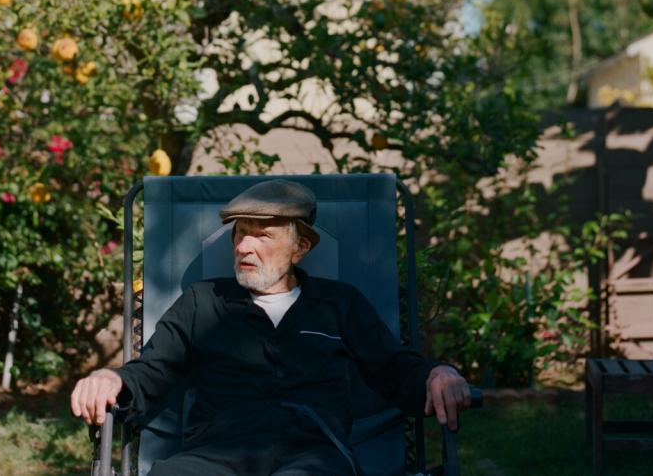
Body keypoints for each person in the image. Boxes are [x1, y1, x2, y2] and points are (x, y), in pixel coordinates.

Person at [71, 180, 471, 475]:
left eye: (261, 236)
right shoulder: (203, 301)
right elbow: (154, 370)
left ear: (300, 249)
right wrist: (111, 379)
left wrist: (437, 373)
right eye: (241, 234)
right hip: (214, 454)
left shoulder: (338, 304)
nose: (244, 247)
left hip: (314, 454)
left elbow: (393, 367)